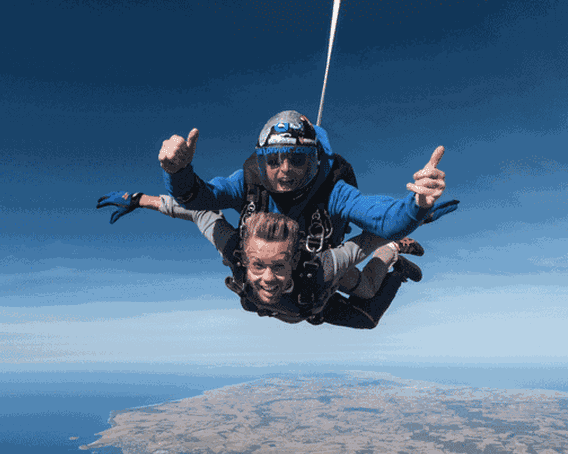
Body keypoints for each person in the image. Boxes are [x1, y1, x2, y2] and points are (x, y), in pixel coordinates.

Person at [96, 192, 424, 328]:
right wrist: (139, 200)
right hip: (307, 306)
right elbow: (198, 210)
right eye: (258, 266)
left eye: (279, 266)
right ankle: (392, 252)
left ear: (293, 261)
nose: (267, 278)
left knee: (366, 297)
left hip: (317, 293)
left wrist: (414, 213)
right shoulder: (235, 252)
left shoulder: (321, 268)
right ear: (246, 259)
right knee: (362, 295)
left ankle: (394, 253)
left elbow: (363, 242)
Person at [157, 110, 456, 250]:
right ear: (262, 162)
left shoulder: (332, 190)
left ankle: (395, 253)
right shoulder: (248, 181)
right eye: (273, 160)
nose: (285, 169)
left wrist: (416, 205)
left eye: (298, 159)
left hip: (320, 258)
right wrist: (178, 173)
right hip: (274, 268)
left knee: (361, 295)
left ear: (314, 161)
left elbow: (380, 218)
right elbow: (201, 198)